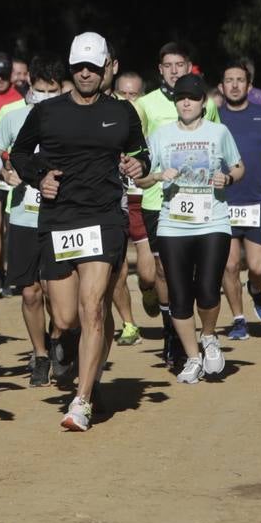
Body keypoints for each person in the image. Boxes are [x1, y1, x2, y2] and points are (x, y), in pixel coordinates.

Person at [10, 32, 147, 430]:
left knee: (93, 308)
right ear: (72, 68)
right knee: (67, 318)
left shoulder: (122, 112)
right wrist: (39, 177)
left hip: (104, 217)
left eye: (93, 66)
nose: (86, 73)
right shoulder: (48, 112)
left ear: (107, 67)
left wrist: (138, 166)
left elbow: (141, 152)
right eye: (79, 67)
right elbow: (20, 154)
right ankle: (81, 362)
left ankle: (82, 400)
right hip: (59, 219)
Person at [137, 73, 244, 384]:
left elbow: (239, 166)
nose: (186, 102)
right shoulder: (160, 135)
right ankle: (192, 357)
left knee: (208, 287)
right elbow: (141, 178)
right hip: (173, 224)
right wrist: (157, 176)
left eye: (193, 98)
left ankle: (209, 336)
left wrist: (229, 178)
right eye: (181, 97)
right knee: (180, 294)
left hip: (213, 220)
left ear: (202, 102)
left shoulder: (219, 132)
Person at [135, 43, 220, 368]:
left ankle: (197, 332)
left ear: (189, 66)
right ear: (160, 69)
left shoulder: (206, 103)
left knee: (197, 270)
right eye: (167, 65)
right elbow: (138, 150)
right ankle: (172, 333)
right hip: (159, 199)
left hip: (201, 200)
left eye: (179, 64)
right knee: (162, 270)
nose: (173, 70)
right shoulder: (145, 105)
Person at [0, 56, 66, 385]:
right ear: (29, 87)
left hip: (62, 215)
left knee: (57, 291)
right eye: (40, 91)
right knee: (29, 293)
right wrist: (6, 172)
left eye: (53, 92)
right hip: (24, 215)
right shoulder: (10, 115)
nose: (46, 98)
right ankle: (40, 354)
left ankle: (60, 339)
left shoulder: (71, 114)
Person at [217, 61, 261, 339]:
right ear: (221, 87)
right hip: (223, 202)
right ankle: (238, 319)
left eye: (240, 80)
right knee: (230, 265)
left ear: (249, 85)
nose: (234, 85)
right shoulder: (214, 118)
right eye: (229, 80)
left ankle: (255, 289)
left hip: (257, 202)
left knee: (258, 268)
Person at [112, 70, 155, 345]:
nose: (128, 100)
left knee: (148, 274)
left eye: (134, 95)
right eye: (122, 94)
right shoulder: (104, 125)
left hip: (142, 201)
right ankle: (128, 324)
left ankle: (149, 289)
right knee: (117, 267)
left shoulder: (148, 133)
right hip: (114, 202)